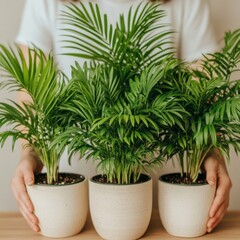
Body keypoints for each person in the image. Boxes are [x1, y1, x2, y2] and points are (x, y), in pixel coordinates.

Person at [12, 0, 232, 234]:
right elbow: (32, 94)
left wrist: (212, 153)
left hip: (169, 204)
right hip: (68, 204)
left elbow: (203, 96)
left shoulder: (187, 2)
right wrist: (30, 155)